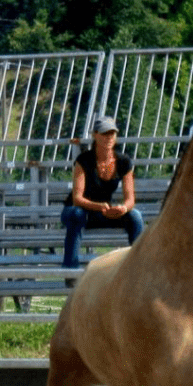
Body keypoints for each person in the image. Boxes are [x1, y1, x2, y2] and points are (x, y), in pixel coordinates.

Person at [61, 115, 143, 272]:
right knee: (77, 214)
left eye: (112, 133)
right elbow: (77, 199)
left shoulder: (124, 161)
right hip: (78, 210)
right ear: (95, 135)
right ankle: (70, 270)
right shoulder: (83, 160)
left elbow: (130, 198)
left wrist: (123, 208)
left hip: (102, 211)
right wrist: (100, 206)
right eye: (105, 133)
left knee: (135, 216)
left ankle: (139, 268)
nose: (109, 137)